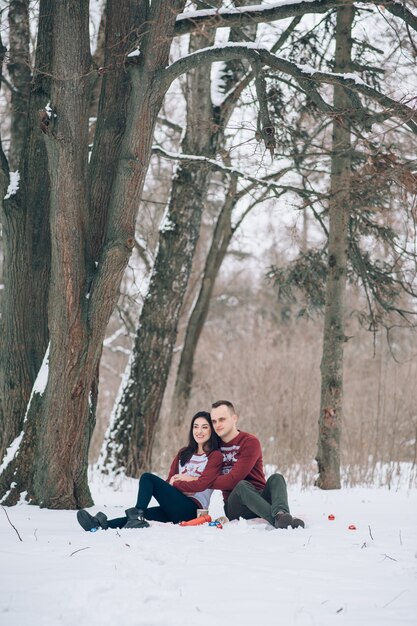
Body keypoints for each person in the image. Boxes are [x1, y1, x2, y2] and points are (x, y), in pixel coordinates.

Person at [76, 411, 222, 531]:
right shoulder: (184, 453)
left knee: (148, 478)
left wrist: (179, 482)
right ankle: (99, 525)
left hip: (193, 510)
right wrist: (180, 481)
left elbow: (202, 484)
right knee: (143, 513)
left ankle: (136, 517)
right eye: (196, 427)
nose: (199, 431)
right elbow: (169, 481)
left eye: (204, 427)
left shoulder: (215, 456)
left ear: (212, 430)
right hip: (174, 504)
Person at [209, 400, 305, 530]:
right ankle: (279, 521)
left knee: (277, 478)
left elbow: (234, 477)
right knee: (242, 485)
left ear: (234, 418)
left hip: (261, 499)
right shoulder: (213, 447)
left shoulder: (249, 442)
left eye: (222, 419)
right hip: (236, 506)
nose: (217, 425)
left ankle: (280, 514)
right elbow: (234, 482)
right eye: (214, 421)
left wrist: (207, 481)